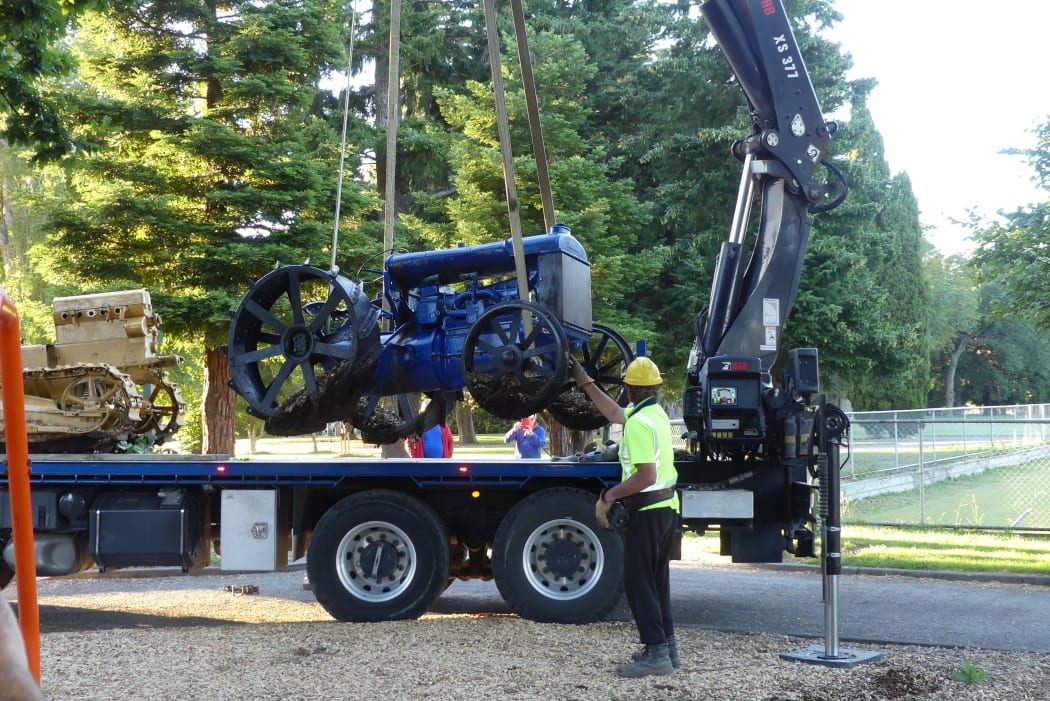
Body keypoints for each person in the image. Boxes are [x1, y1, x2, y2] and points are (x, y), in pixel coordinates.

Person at [569, 355, 680, 678]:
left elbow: (645, 475)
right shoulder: (654, 414)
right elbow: (614, 413)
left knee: (638, 583)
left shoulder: (638, 425)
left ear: (629, 389)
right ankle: (667, 648)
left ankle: (656, 655)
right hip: (665, 509)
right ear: (655, 388)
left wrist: (610, 495)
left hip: (646, 509)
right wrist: (585, 382)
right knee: (657, 582)